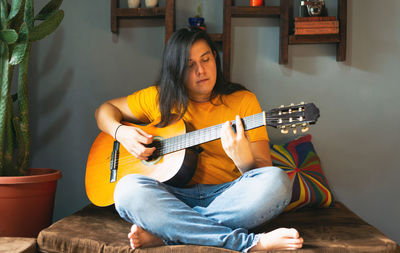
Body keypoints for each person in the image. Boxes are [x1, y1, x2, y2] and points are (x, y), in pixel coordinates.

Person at [95, 27, 303, 252]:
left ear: (215, 57)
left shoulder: (244, 102)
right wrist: (121, 133)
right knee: (126, 190)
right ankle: (251, 244)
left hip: (227, 196)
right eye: (190, 65)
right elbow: (104, 111)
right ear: (176, 70)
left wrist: (244, 161)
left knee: (278, 182)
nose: (201, 70)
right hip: (171, 198)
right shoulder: (159, 98)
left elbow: (264, 171)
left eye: (206, 59)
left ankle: (168, 233)